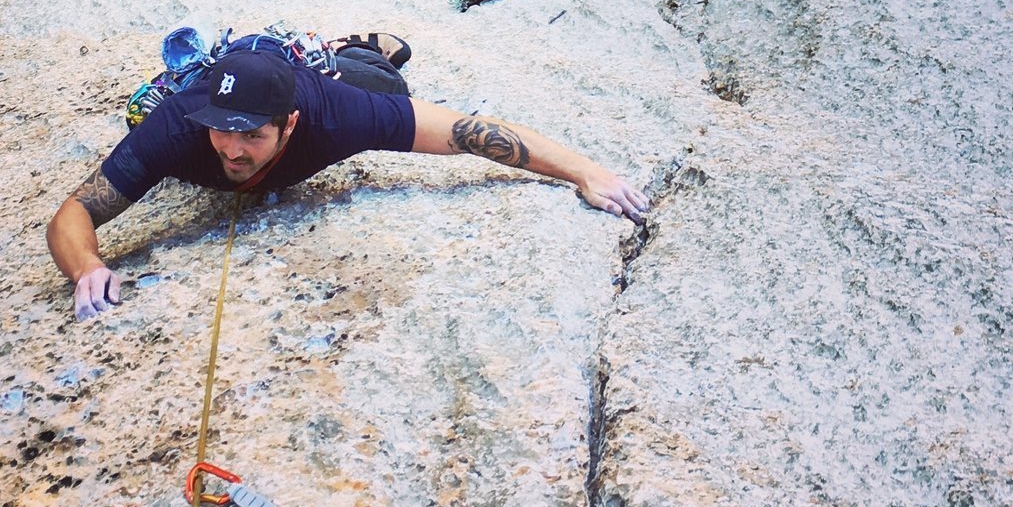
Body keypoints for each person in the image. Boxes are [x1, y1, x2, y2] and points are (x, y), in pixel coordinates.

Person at [47, 35, 649, 321]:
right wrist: (86, 267)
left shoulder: (336, 117)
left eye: (252, 134)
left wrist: (585, 172)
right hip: (193, 97)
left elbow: (468, 132)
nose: (231, 149)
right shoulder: (179, 126)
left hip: (322, 80)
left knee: (386, 79)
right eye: (221, 131)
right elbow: (74, 214)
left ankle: (347, 45)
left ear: (290, 125)